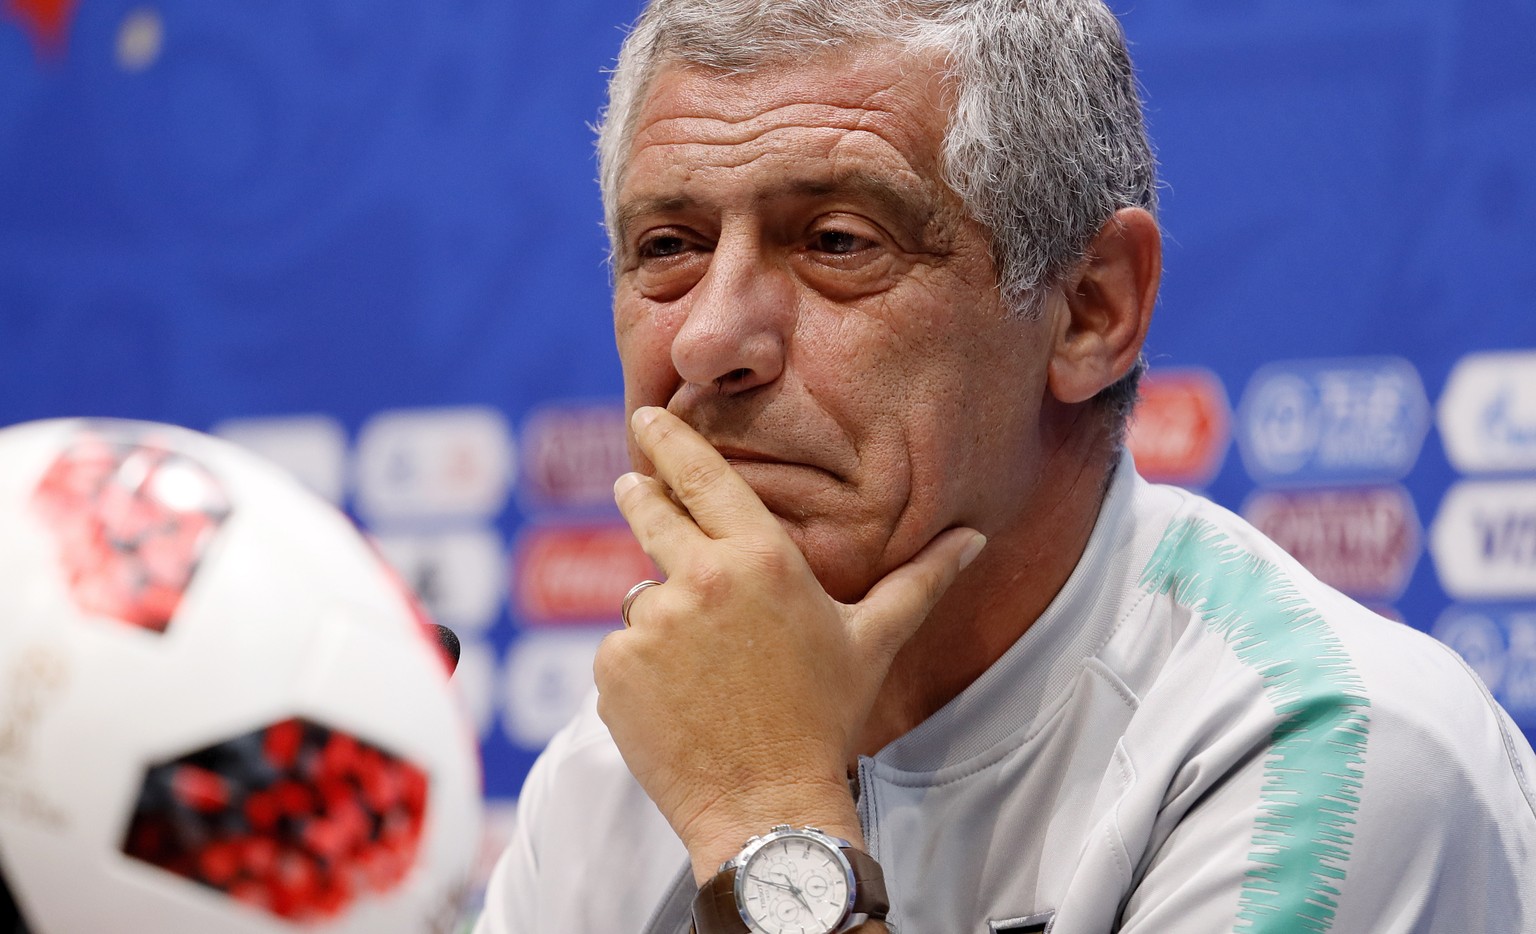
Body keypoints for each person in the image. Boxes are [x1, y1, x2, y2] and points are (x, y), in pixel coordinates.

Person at [475, 1, 1536, 931]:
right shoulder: (627, 759)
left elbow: (751, 803)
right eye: (667, 246)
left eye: (838, 241)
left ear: (1090, 309)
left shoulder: (1331, 751)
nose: (710, 339)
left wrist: (767, 829)